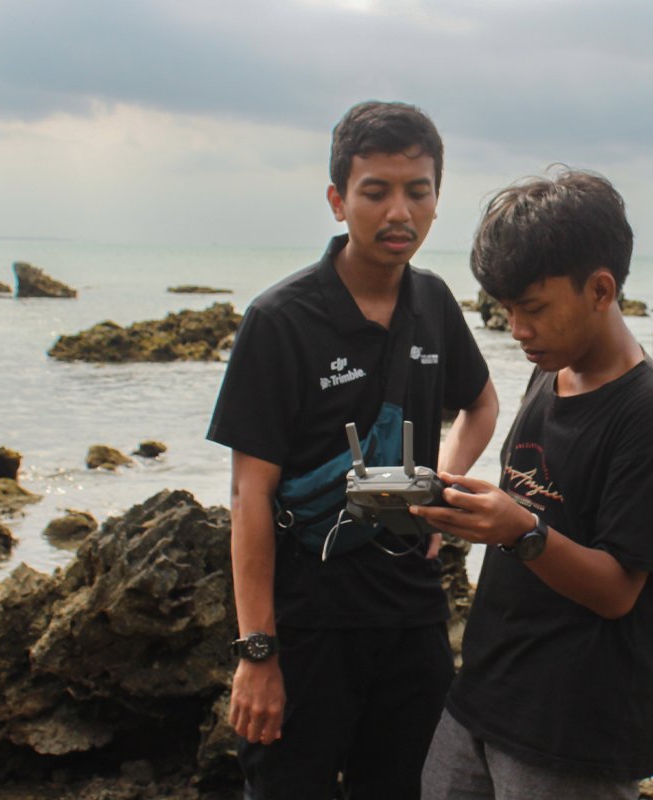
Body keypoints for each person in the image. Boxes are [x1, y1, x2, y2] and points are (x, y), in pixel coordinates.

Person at [207, 100, 500, 799]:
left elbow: (482, 404)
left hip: (412, 620)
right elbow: (250, 495)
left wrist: (435, 495)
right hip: (308, 628)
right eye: (376, 191)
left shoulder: (434, 303)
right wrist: (257, 654)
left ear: (436, 200)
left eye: (417, 190)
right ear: (339, 201)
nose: (399, 210)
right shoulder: (281, 321)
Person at [409, 169, 653, 799]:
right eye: (506, 309)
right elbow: (527, 506)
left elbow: (619, 590)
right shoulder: (551, 373)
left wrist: (519, 530)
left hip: (576, 735)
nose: (516, 328)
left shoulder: (652, 416)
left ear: (600, 289)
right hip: (483, 700)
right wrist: (459, 508)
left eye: (533, 308)